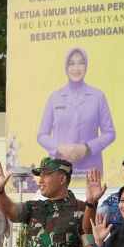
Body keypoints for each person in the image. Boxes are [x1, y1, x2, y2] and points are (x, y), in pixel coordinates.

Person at [37, 47, 116, 175]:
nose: (76, 68)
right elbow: (42, 135)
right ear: (66, 67)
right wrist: (59, 147)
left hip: (91, 170)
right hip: (59, 170)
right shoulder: (55, 97)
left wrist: (87, 148)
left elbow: (110, 133)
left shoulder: (98, 96)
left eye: (81, 62)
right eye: (71, 63)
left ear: (86, 66)